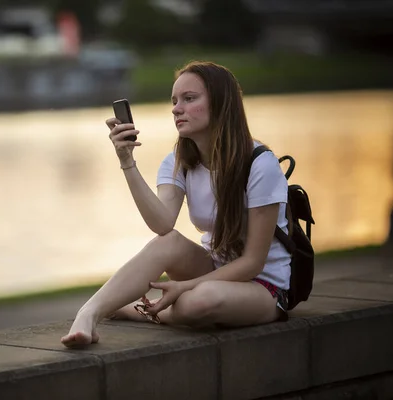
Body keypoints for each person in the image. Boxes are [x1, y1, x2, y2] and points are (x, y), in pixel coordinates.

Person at [61, 61, 290, 348]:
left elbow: (252, 263)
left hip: (263, 287)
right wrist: (127, 161)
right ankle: (89, 314)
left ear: (221, 103)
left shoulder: (260, 164)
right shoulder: (180, 162)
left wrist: (183, 286)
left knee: (199, 302)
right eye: (174, 101)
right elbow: (162, 224)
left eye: (189, 99)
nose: (176, 109)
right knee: (166, 243)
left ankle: (141, 310)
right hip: (212, 270)